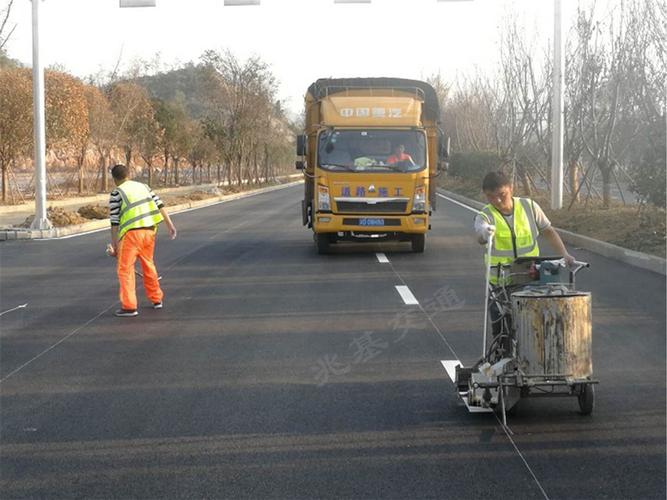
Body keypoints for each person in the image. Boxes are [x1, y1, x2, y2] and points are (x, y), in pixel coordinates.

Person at [474, 171, 574, 340]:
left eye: (502, 195)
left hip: (530, 278)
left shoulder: (529, 207)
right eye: (491, 197)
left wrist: (564, 254)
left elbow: (548, 231)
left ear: (511, 189)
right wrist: (485, 232)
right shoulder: (486, 214)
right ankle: (501, 358)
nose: (497, 201)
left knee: (532, 326)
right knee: (501, 329)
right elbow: (479, 234)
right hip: (500, 283)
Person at [107, 164, 177, 317]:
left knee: (125, 269)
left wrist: (115, 246)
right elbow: (160, 205)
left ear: (114, 179)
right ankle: (157, 299)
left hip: (132, 235)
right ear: (129, 175)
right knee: (148, 264)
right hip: (150, 231)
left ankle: (129, 307)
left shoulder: (117, 193)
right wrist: (170, 225)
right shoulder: (144, 187)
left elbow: (114, 222)